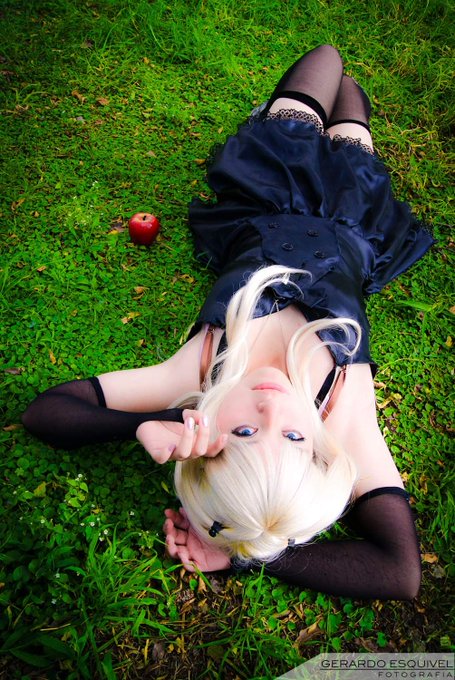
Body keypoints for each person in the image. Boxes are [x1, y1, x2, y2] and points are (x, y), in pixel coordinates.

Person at [22, 45, 434, 600]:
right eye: (292, 436)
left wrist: (149, 423)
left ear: (207, 439)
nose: (271, 409)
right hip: (353, 212)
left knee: (326, 57)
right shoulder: (344, 415)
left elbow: (45, 413)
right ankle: (340, 129)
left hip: (269, 189)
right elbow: (399, 573)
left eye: (243, 433)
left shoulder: (194, 377)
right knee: (350, 106)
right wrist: (251, 551)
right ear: (316, 448)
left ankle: (305, 122)